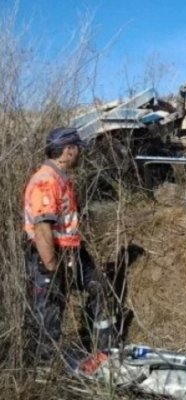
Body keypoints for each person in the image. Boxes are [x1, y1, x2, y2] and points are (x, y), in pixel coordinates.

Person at [23, 127, 115, 361]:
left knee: (100, 288)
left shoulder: (61, 178)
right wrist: (53, 267)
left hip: (72, 250)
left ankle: (107, 351)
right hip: (50, 254)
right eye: (77, 149)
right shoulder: (46, 181)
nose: (80, 154)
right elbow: (43, 229)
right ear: (68, 150)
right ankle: (46, 369)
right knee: (52, 312)